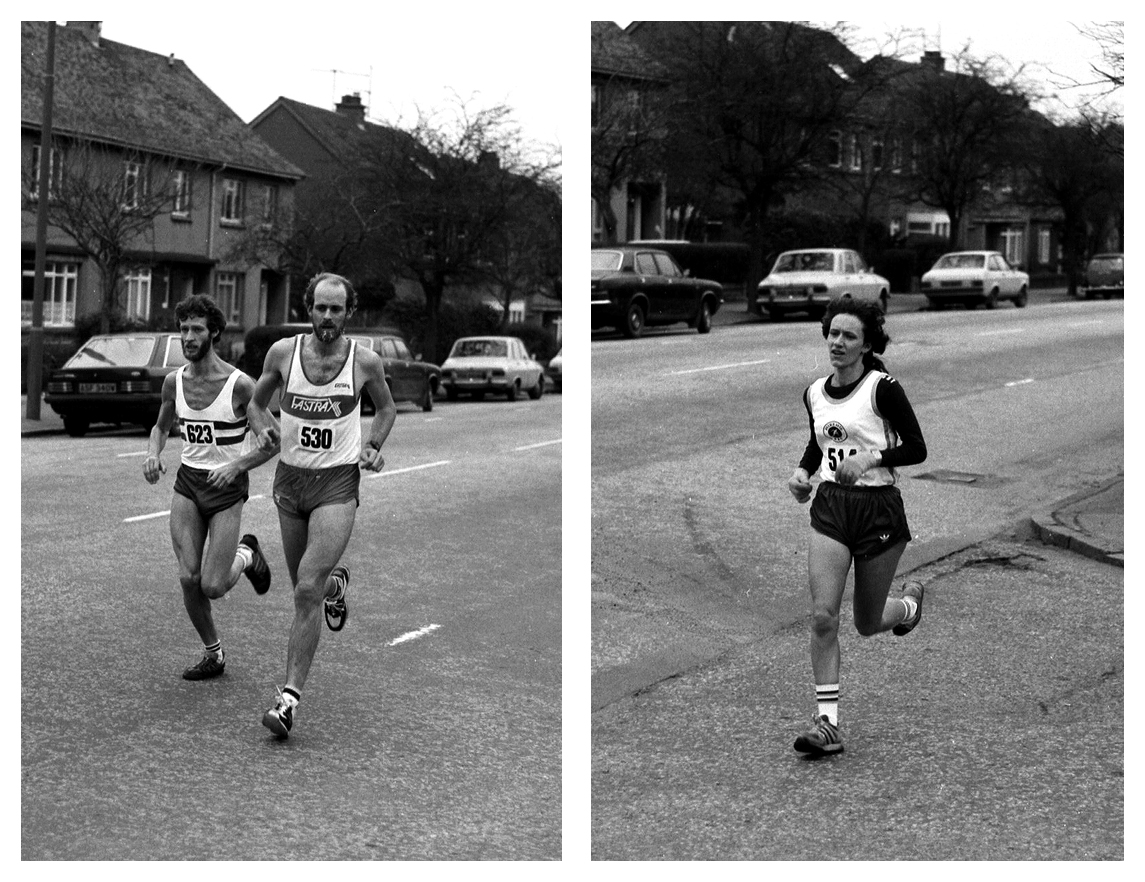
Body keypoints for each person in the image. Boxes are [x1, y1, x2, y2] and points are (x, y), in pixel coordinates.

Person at [248, 272, 397, 737]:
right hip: (290, 483)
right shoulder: (283, 354)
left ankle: (288, 700)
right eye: (320, 308)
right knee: (305, 586)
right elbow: (255, 403)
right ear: (308, 308)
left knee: (304, 587)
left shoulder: (364, 361)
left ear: (349, 312)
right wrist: (262, 424)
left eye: (336, 309)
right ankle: (336, 589)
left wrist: (372, 445)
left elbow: (386, 409)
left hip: (336, 484)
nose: (327, 317)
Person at [787, 296, 928, 756]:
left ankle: (906, 608)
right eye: (833, 333)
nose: (838, 342)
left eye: (849, 335)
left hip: (878, 511)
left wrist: (873, 456)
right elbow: (819, 439)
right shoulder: (814, 392)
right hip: (831, 508)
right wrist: (803, 473)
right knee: (824, 616)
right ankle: (828, 725)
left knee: (867, 622)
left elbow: (917, 448)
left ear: (867, 344)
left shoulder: (882, 388)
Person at [144, 293, 277, 680]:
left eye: (196, 329)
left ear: (214, 333)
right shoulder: (174, 382)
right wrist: (153, 454)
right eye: (183, 329)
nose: (188, 336)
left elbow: (275, 438)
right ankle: (214, 654)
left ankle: (247, 554)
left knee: (214, 585)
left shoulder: (240, 386)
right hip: (189, 482)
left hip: (226, 488)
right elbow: (160, 426)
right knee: (188, 578)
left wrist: (237, 465)